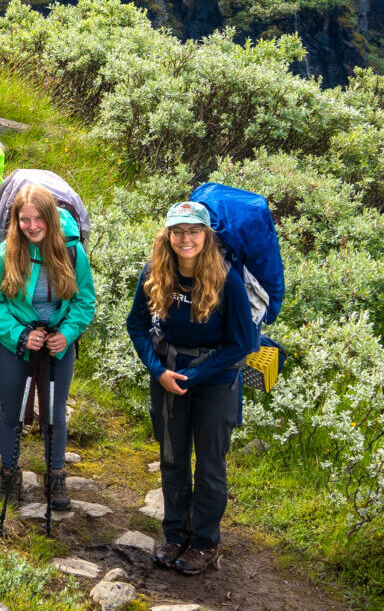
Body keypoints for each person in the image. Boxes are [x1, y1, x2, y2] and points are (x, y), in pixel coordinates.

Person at [124, 200, 259, 578]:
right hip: (166, 377)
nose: (186, 238)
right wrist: (158, 370)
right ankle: (174, 535)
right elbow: (136, 325)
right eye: (178, 231)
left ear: (206, 235)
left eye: (194, 231)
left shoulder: (227, 278)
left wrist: (194, 376)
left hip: (214, 382)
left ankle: (203, 541)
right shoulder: (154, 272)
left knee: (211, 465)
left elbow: (241, 344)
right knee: (172, 458)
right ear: (167, 234)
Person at [0, 183, 97, 513]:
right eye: (24, 219)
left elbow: (85, 300)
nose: (31, 226)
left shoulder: (72, 252)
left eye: (38, 219)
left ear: (50, 219)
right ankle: (9, 474)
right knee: (12, 411)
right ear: (15, 220)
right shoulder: (4, 254)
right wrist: (18, 334)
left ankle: (55, 475)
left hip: (57, 343)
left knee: (55, 414)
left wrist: (68, 333)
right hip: (15, 344)